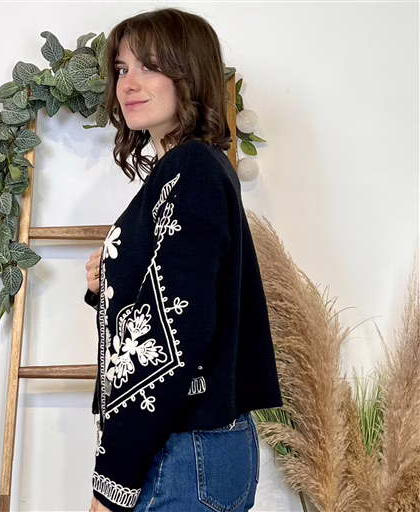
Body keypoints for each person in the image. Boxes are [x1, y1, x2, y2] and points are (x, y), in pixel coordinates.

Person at [84, 7, 283, 512]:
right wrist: (107, 282)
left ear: (188, 73)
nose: (128, 83)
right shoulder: (185, 170)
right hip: (195, 450)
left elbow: (172, 338)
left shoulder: (191, 169)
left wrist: (112, 482)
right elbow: (181, 299)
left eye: (149, 66)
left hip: (182, 453)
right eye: (122, 69)